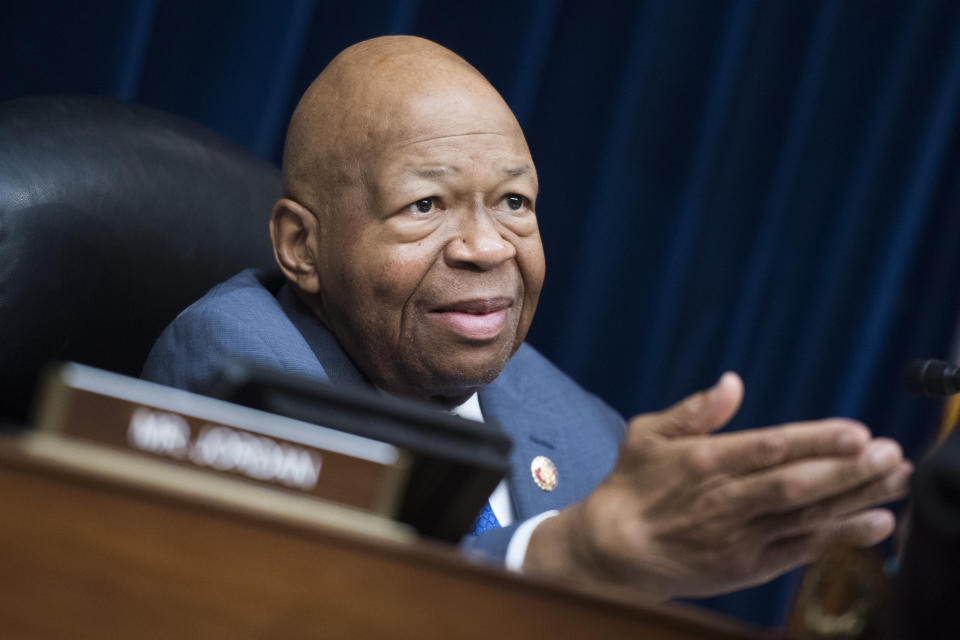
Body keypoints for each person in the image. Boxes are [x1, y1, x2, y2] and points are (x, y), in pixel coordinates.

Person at [143, 35, 912, 601]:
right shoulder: (236, 357)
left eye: (514, 202)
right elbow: (316, 606)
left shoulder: (584, 431)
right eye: (425, 205)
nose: (487, 247)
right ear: (301, 246)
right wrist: (566, 552)